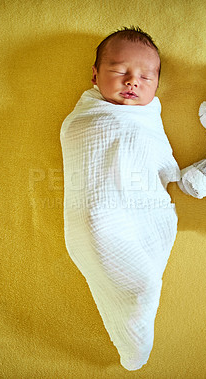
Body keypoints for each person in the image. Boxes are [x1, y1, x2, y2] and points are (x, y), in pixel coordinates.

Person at [60, 27, 179, 370]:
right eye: (120, 70)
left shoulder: (148, 119)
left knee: (143, 282)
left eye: (146, 76)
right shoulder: (84, 120)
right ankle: (134, 336)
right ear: (95, 75)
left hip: (138, 213)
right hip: (93, 215)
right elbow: (78, 141)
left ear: (156, 85)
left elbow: (160, 160)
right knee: (133, 276)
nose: (132, 81)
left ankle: (134, 335)